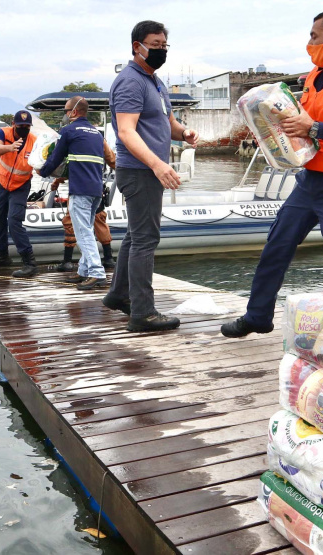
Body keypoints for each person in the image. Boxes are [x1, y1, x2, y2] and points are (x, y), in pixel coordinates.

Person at [221, 10, 323, 338]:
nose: (309, 43)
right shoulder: (313, 77)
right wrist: (269, 131)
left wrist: (316, 127)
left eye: (314, 36)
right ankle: (257, 317)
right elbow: (301, 126)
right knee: (276, 246)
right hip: (308, 183)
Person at [103, 20, 199, 332]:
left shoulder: (154, 81)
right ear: (137, 47)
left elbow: (167, 120)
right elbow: (127, 132)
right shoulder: (130, 81)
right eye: (155, 45)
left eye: (164, 46)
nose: (161, 51)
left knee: (135, 235)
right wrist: (158, 165)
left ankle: (119, 295)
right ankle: (143, 313)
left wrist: (183, 133)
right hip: (139, 170)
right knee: (146, 239)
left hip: (146, 171)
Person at [39, 96, 109, 290]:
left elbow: (55, 158)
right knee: (86, 229)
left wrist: (42, 171)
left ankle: (96, 272)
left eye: (66, 110)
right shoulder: (96, 133)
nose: (65, 114)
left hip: (80, 190)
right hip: (96, 189)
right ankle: (84, 271)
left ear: (74, 112)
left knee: (83, 232)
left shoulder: (68, 131)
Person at [0, 110, 38, 277]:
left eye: (27, 126)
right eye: (21, 126)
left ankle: (29, 263)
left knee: (14, 220)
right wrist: (10, 147)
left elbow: (39, 164)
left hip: (21, 186)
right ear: (13, 125)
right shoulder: (3, 132)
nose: (24, 128)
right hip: (1, 183)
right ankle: (2, 256)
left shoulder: (34, 142)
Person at [56, 140, 118, 271]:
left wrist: (57, 180)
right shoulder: (99, 140)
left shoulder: (72, 139)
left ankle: (68, 261)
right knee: (99, 219)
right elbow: (113, 160)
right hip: (96, 187)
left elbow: (65, 166)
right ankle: (108, 258)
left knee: (71, 221)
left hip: (78, 188)